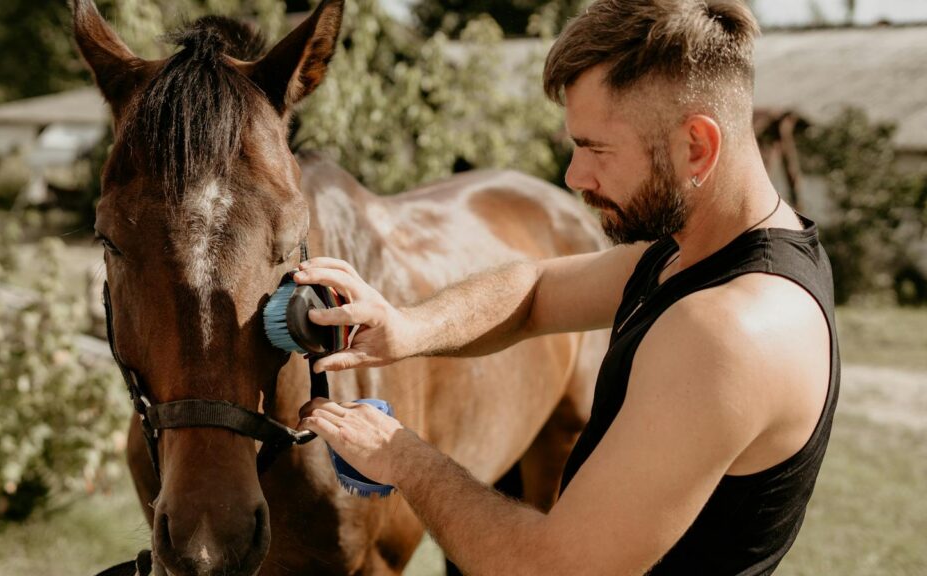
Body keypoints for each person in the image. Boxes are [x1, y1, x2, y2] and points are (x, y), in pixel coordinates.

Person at [296, 0, 839, 573]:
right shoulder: (698, 251)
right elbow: (535, 291)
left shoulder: (728, 331)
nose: (574, 178)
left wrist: (402, 457)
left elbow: (550, 567)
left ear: (696, 146)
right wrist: (408, 326)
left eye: (596, 149)